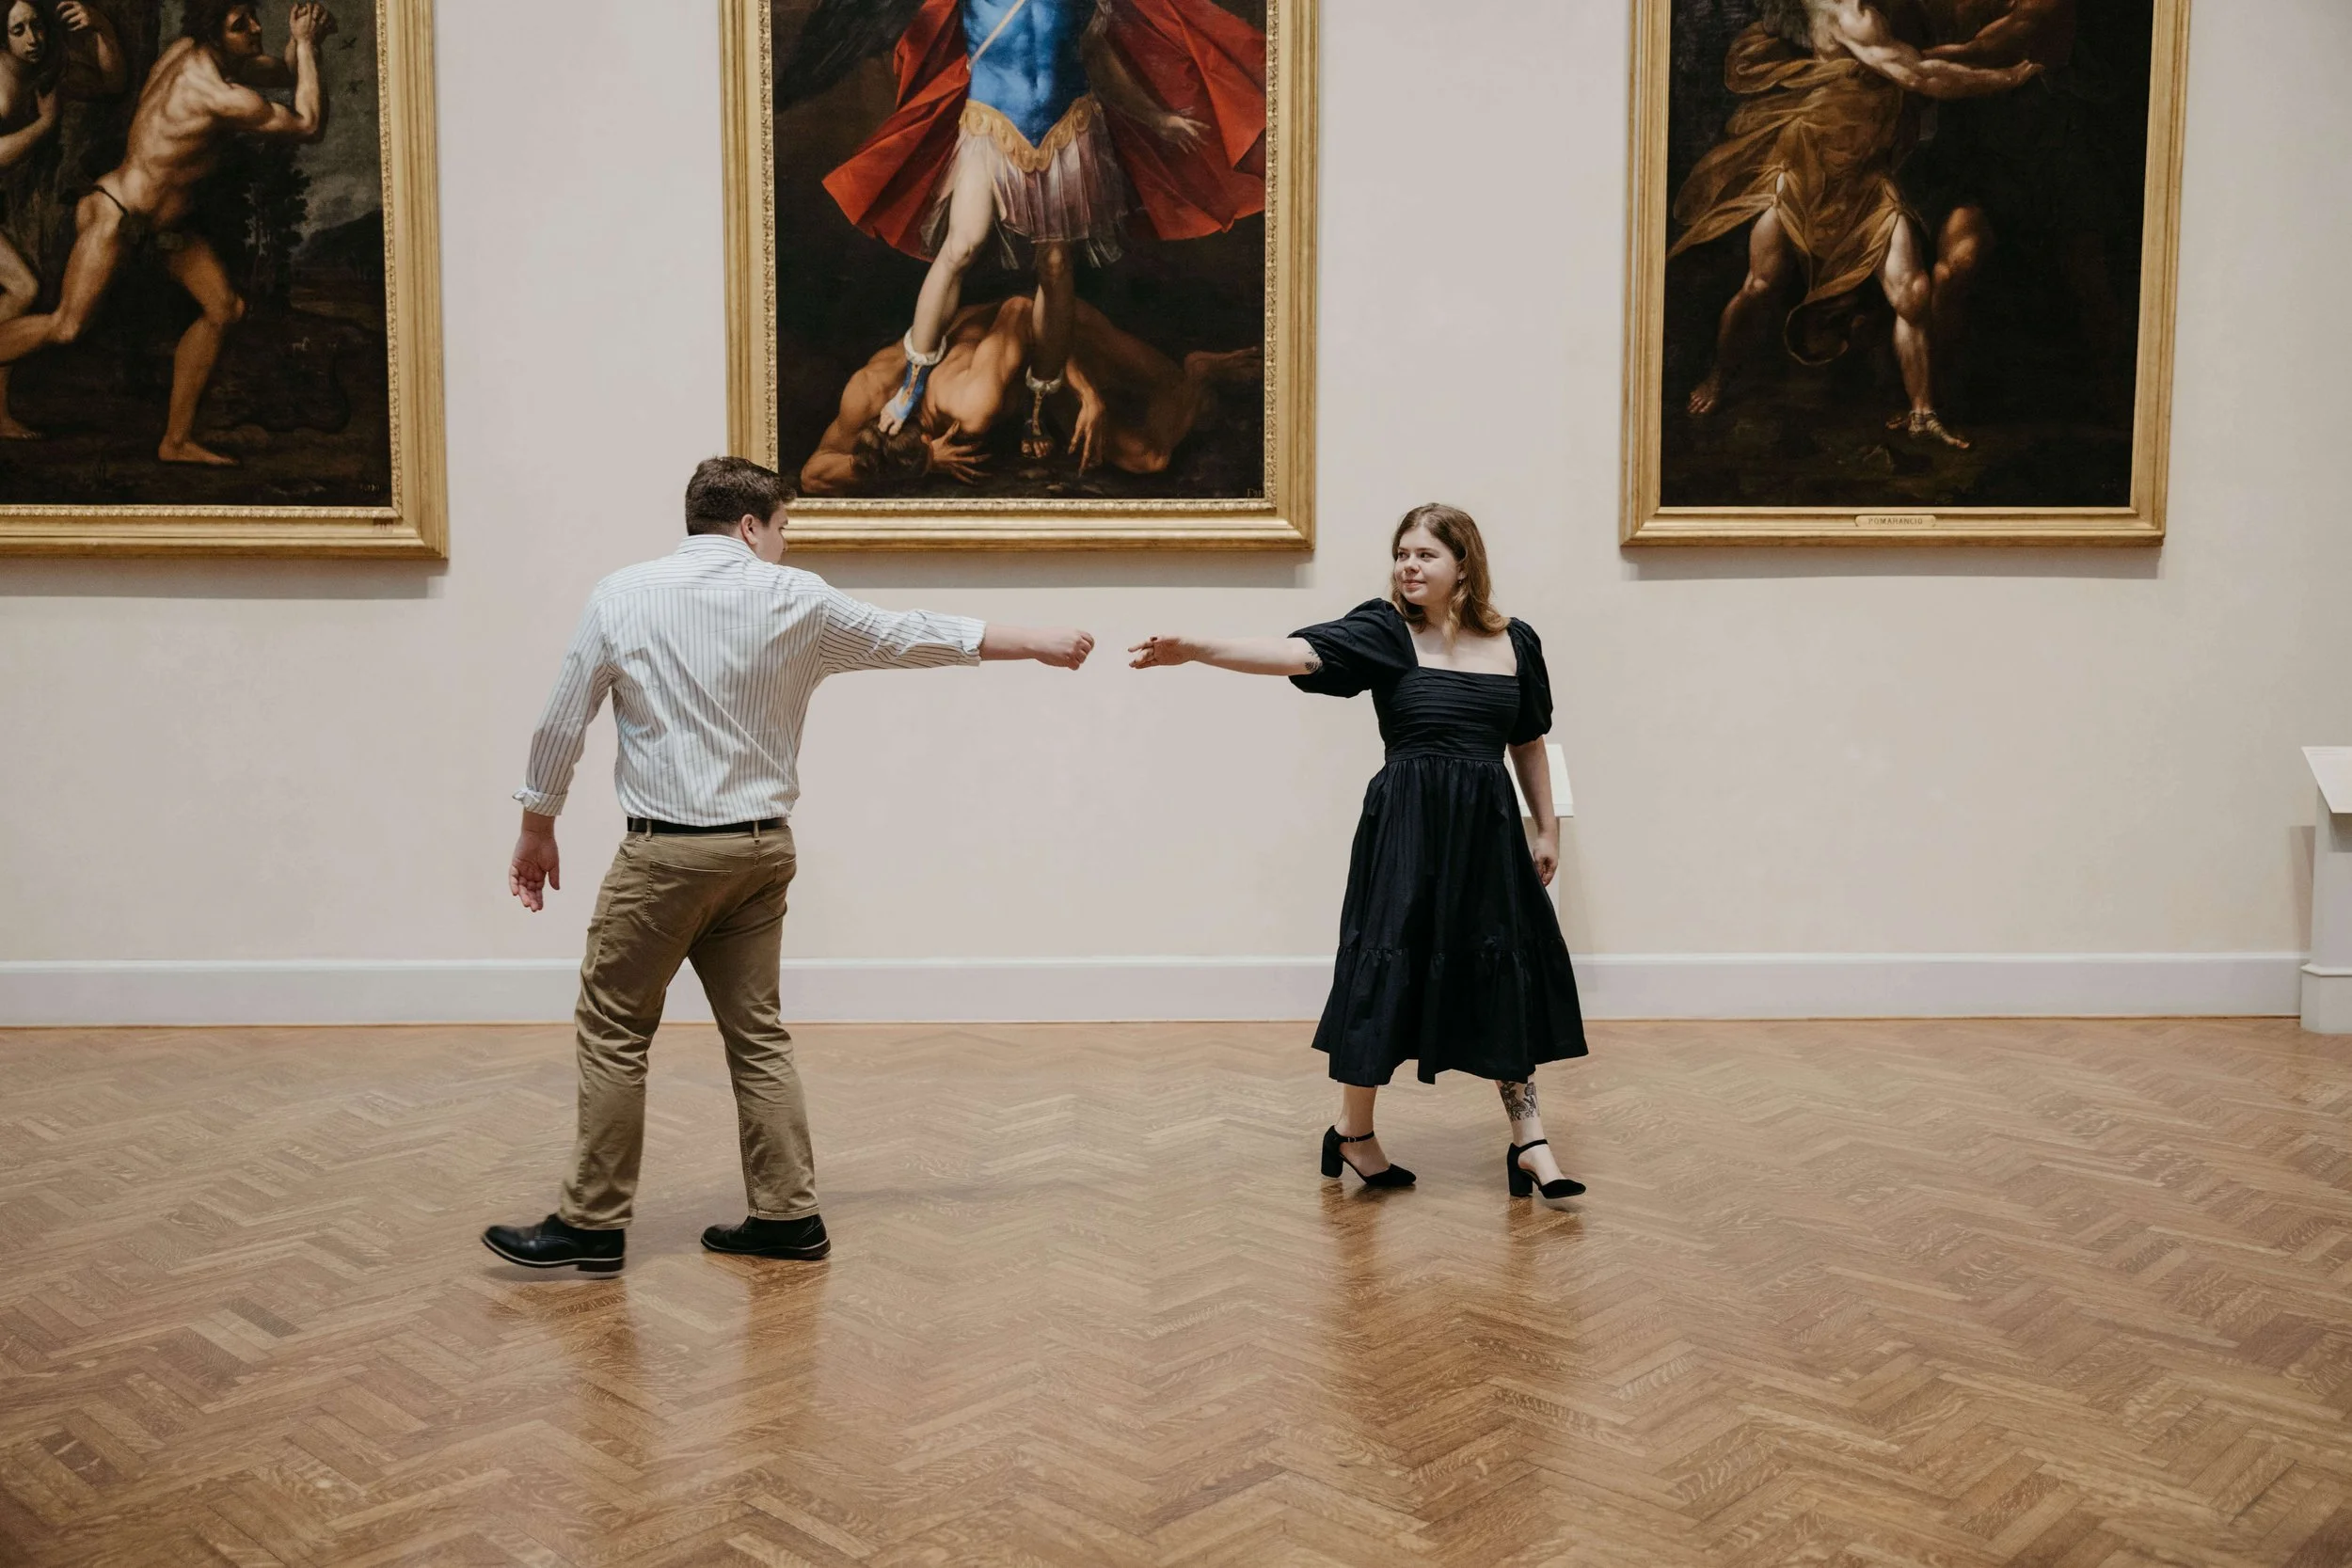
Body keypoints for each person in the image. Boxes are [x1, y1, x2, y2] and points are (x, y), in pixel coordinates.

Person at [483, 456, 1096, 1275]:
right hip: (761, 851)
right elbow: (907, 633)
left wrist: (537, 826)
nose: (782, 543)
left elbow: (562, 719)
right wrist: (1037, 643)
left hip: (667, 854)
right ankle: (787, 1215)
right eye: (781, 528)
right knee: (758, 1035)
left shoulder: (622, 594)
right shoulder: (796, 598)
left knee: (615, 1029)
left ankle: (592, 1223)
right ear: (750, 525)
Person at [1130, 504, 1589, 1208]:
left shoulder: (1515, 641)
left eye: (1425, 554)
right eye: (1402, 553)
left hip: (1487, 831)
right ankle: (1354, 1130)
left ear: (1463, 563)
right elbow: (1294, 654)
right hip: (1406, 826)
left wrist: (1546, 829)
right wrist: (1197, 647)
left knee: (1503, 968)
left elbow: (1527, 740)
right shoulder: (1384, 630)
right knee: (1386, 963)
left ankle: (1530, 1141)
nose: (1408, 565)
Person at [816, 0, 1265, 461]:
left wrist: (1155, 116)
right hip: (989, 127)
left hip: (1068, 132)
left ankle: (1038, 401)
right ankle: (912, 385)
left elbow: (1098, 58)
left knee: (1054, 265)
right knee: (961, 247)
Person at [1669, 0, 2039, 448]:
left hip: (1866, 174)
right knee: (1761, 284)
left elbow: (1922, 64)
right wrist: (2007, 78)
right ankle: (1718, 375)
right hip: (1810, 167)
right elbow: (1921, 76)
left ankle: (1922, 412)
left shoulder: (1873, 11)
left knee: (1912, 293)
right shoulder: (1851, 13)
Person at [0, 0, 332, 466]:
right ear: (216, 34)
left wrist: (302, 42)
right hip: (117, 215)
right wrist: (305, 44)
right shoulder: (211, 91)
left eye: (253, 17)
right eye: (241, 24)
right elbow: (309, 124)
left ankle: (175, 442)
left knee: (224, 308)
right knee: (67, 326)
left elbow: (282, 72)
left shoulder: (192, 49)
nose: (256, 28)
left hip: (160, 224)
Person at [798, 292, 1261, 496]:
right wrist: (925, 462)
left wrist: (1088, 393)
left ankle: (1196, 371)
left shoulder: (964, 402)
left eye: (925, 447)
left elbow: (1021, 308)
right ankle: (1199, 375)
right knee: (1149, 458)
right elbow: (814, 477)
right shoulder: (873, 408)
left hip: (1051, 332)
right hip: (1027, 384)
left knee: (1167, 394)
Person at [0, 0, 124, 438]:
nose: (33, 39)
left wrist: (103, 30)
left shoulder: (46, 71)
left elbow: (113, 83)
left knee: (23, 290)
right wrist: (45, 125)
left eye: (37, 26)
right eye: (18, 30)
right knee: (23, 289)